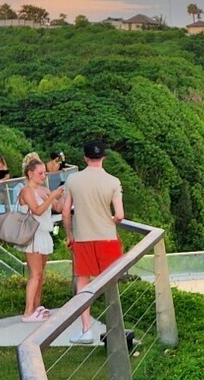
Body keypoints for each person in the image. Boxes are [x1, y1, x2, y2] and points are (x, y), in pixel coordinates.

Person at [61, 140, 124, 344]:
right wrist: (111, 219)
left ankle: (86, 330)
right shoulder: (113, 181)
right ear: (103, 157)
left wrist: (69, 235)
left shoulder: (73, 180)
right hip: (107, 236)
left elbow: (65, 212)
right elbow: (120, 215)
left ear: (85, 158)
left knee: (83, 283)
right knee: (110, 283)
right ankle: (115, 330)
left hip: (83, 237)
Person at [17, 153, 65, 322]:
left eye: (44, 173)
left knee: (40, 275)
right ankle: (28, 312)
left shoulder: (44, 190)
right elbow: (37, 210)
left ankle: (37, 307)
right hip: (33, 235)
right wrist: (52, 196)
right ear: (30, 174)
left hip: (43, 233)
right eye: (40, 173)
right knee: (35, 274)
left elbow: (57, 207)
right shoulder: (26, 191)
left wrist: (63, 194)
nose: (43, 176)